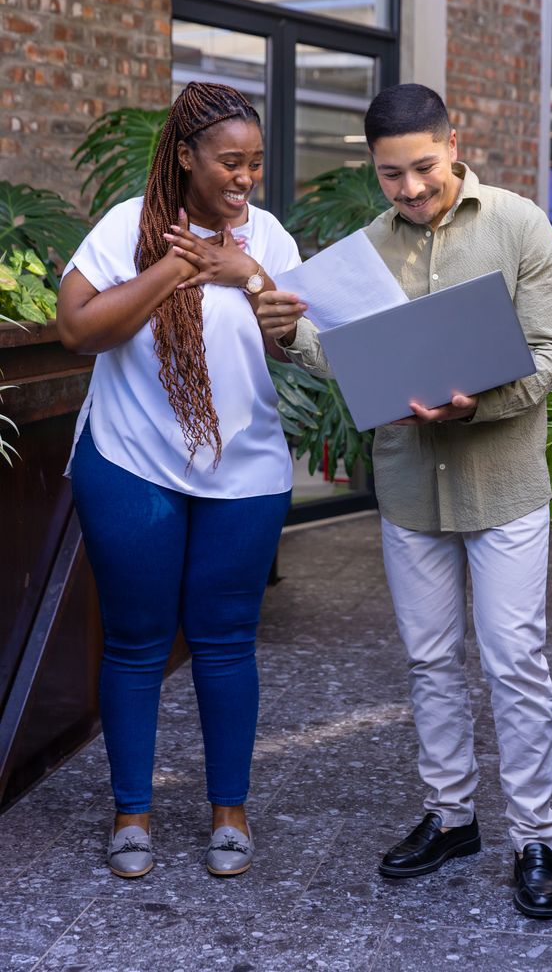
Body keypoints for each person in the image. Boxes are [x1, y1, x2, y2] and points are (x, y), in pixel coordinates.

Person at [256, 83, 552, 919]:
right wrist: (290, 334)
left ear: (453, 144)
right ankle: (452, 818)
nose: (410, 189)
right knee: (431, 663)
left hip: (504, 484)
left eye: (423, 168)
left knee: (514, 663)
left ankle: (536, 836)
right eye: (392, 174)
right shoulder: (363, 250)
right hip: (407, 490)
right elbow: (343, 351)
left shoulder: (518, 225)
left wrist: (482, 403)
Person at [57, 81, 305, 880]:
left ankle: (229, 812)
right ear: (187, 155)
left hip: (247, 468)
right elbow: (77, 329)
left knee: (227, 640)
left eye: (255, 164)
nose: (244, 179)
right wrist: (174, 265)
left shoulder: (266, 235)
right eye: (229, 162)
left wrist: (252, 280)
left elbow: (296, 338)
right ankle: (133, 812)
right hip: (132, 463)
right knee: (135, 642)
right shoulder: (128, 226)